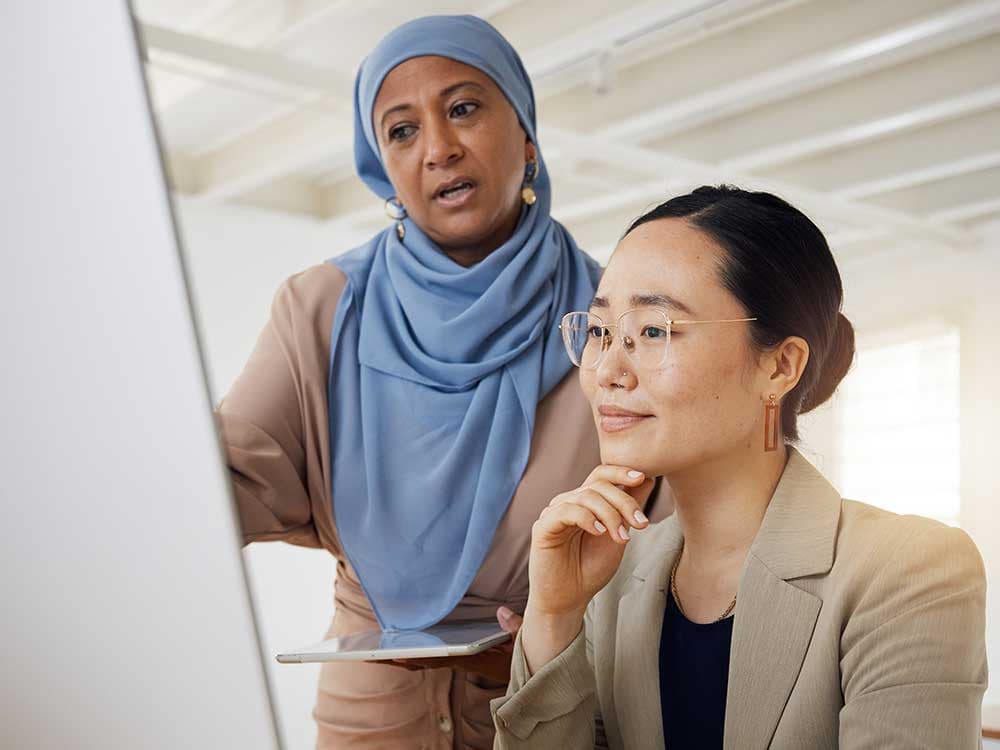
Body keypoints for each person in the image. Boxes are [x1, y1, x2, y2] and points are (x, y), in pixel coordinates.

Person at [215, 15, 671, 750]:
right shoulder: (323, 309)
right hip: (370, 719)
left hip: (556, 701)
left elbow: (680, 521)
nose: (438, 148)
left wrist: (582, 612)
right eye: (401, 131)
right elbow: (229, 483)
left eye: (463, 108)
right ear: (381, 166)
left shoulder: (607, 313)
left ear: (525, 135)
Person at [490, 185, 988, 749]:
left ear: (779, 366)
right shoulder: (614, 580)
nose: (607, 369)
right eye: (602, 331)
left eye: (654, 330)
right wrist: (554, 616)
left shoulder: (907, 572)